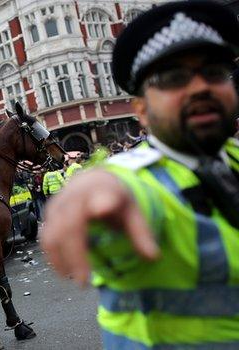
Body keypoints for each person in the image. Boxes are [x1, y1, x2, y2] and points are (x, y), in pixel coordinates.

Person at [41, 1, 239, 348]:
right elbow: (116, 191)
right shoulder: (135, 182)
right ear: (141, 111)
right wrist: (94, 195)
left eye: (214, 73)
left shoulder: (233, 155)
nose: (200, 88)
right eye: (173, 79)